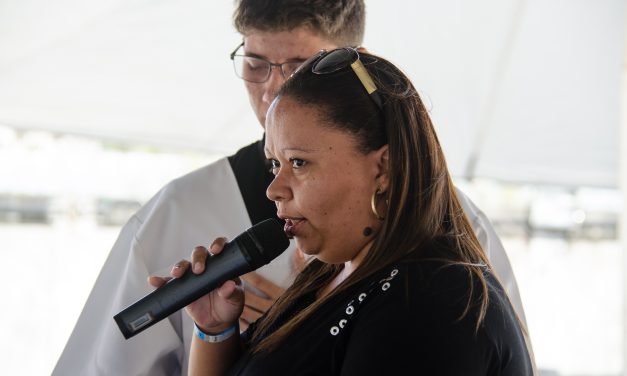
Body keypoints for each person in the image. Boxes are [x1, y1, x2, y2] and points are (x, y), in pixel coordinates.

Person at [53, 1, 529, 375]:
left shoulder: (438, 292)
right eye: (257, 64)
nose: (273, 90)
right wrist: (216, 333)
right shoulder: (326, 270)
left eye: (301, 67)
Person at [158, 48, 534, 375]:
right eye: (275, 164)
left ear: (383, 168)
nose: (273, 189)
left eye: (299, 163)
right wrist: (214, 330)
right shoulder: (330, 276)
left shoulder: (430, 302)